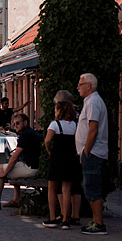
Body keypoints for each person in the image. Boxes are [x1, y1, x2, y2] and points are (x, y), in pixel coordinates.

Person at [0, 113, 42, 210]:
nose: (15, 126)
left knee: (0, 169)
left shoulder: (25, 135)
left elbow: (15, 157)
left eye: (18, 123)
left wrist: (4, 173)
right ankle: (16, 199)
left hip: (30, 167)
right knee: (12, 167)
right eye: (14, 124)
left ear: (26, 122)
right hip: (36, 166)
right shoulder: (32, 133)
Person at [42, 91, 81, 229]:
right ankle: (66, 220)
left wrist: (49, 151)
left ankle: (52, 217)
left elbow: (47, 140)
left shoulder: (55, 124)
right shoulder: (75, 125)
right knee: (67, 189)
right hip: (70, 158)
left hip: (57, 157)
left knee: (52, 188)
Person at [77, 73, 109, 235]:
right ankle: (96, 220)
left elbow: (93, 128)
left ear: (88, 85)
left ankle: (99, 223)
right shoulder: (91, 101)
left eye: (80, 85)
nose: (78, 88)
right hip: (92, 151)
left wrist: (86, 151)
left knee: (91, 187)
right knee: (90, 186)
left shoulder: (93, 102)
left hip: (93, 152)